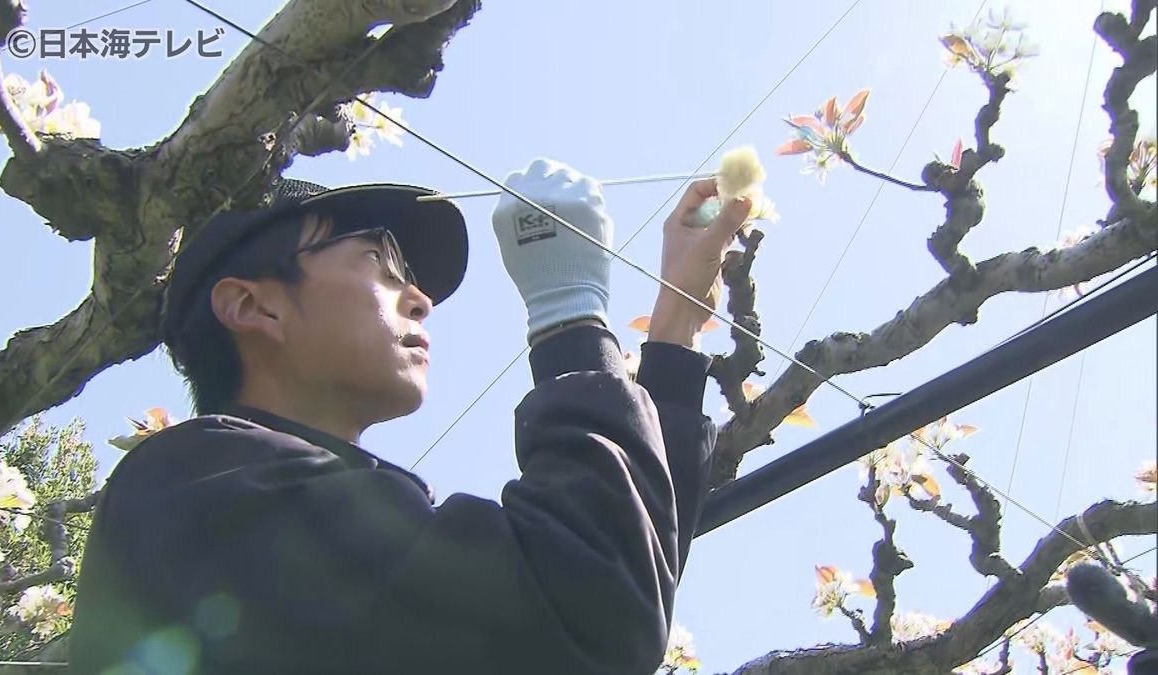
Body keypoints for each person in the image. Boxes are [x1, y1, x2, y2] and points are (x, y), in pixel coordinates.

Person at [66, 158, 752, 674]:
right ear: (254, 307)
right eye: (380, 260)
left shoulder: (242, 497)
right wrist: (569, 316)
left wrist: (675, 327)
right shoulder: (190, 483)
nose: (419, 296)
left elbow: (616, 587)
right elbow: (592, 611)